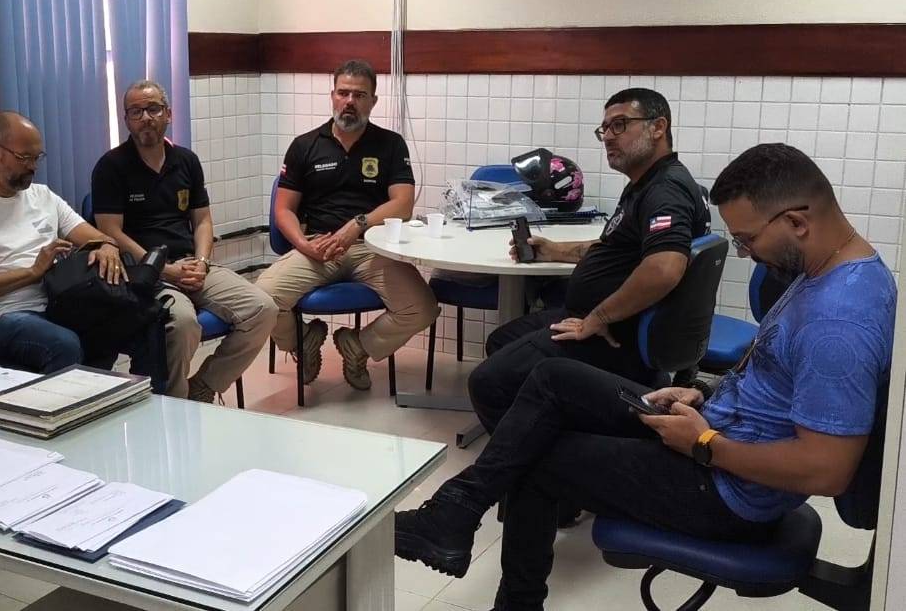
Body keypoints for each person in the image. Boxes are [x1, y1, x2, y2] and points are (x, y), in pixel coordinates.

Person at [394, 143, 895, 611]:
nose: (745, 253)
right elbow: (778, 381)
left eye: (747, 240)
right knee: (551, 377)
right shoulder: (831, 269)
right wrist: (703, 393)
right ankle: (452, 513)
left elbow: (826, 470)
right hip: (716, 434)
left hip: (725, 492)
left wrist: (704, 444)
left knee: (535, 453)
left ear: (797, 221)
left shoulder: (838, 322)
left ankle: (493, 575)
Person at [467, 88, 711, 437]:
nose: (608, 137)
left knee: (488, 383)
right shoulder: (645, 183)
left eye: (620, 125)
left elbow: (664, 268)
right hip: (601, 320)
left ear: (658, 127)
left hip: (615, 335)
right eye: (604, 129)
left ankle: (539, 461)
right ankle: (547, 426)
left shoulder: (665, 189)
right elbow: (613, 249)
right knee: (502, 340)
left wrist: (597, 318)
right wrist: (554, 251)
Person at [256, 59, 439, 390]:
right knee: (261, 300)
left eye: (359, 95)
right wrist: (304, 244)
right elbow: (283, 209)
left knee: (422, 308)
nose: (350, 101)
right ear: (333, 96)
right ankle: (303, 342)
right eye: (343, 93)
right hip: (317, 247)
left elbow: (403, 204)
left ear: (373, 101)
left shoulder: (390, 144)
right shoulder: (305, 145)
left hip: (372, 248)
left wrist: (357, 225)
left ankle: (357, 346)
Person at [91, 80, 277, 402]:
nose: (145, 118)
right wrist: (163, 269)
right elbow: (111, 232)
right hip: (144, 273)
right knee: (183, 324)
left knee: (263, 309)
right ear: (126, 120)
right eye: (136, 111)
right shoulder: (111, 166)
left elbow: (202, 220)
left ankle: (203, 387)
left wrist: (202, 263)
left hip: (191, 265)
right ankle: (175, 406)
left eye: (153, 109)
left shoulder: (186, 161)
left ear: (169, 113)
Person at [0, 111, 130, 374]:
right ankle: (64, 401)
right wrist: (32, 272)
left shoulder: (43, 196)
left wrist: (107, 246)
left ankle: (118, 395)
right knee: (63, 345)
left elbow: (94, 236)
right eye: (24, 158)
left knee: (117, 322)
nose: (33, 167)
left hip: (56, 302)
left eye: (37, 157)